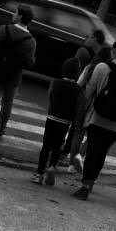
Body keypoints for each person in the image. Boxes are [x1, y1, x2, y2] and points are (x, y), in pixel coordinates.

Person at [71, 38, 116, 201]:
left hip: (98, 117)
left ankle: (85, 186)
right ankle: (91, 182)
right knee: (102, 153)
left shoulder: (102, 67)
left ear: (114, 51)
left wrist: (82, 114)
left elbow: (89, 92)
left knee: (92, 152)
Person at [0, 4, 37, 149]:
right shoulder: (31, 41)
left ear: (20, 16)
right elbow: (29, 63)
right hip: (14, 76)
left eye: (15, 13)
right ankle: (0, 130)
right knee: (7, 103)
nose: (13, 15)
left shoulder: (4, 29)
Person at [63, 28, 111, 168]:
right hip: (100, 104)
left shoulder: (92, 65)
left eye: (89, 37)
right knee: (92, 133)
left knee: (78, 131)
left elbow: (81, 84)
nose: (86, 38)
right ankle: (80, 156)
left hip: (86, 100)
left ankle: (71, 162)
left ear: (95, 39)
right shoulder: (109, 65)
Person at [33, 58, 82, 186]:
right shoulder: (78, 89)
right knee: (57, 147)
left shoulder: (55, 83)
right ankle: (52, 168)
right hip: (65, 122)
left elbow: (50, 97)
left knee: (46, 146)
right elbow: (77, 107)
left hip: (52, 118)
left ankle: (39, 174)